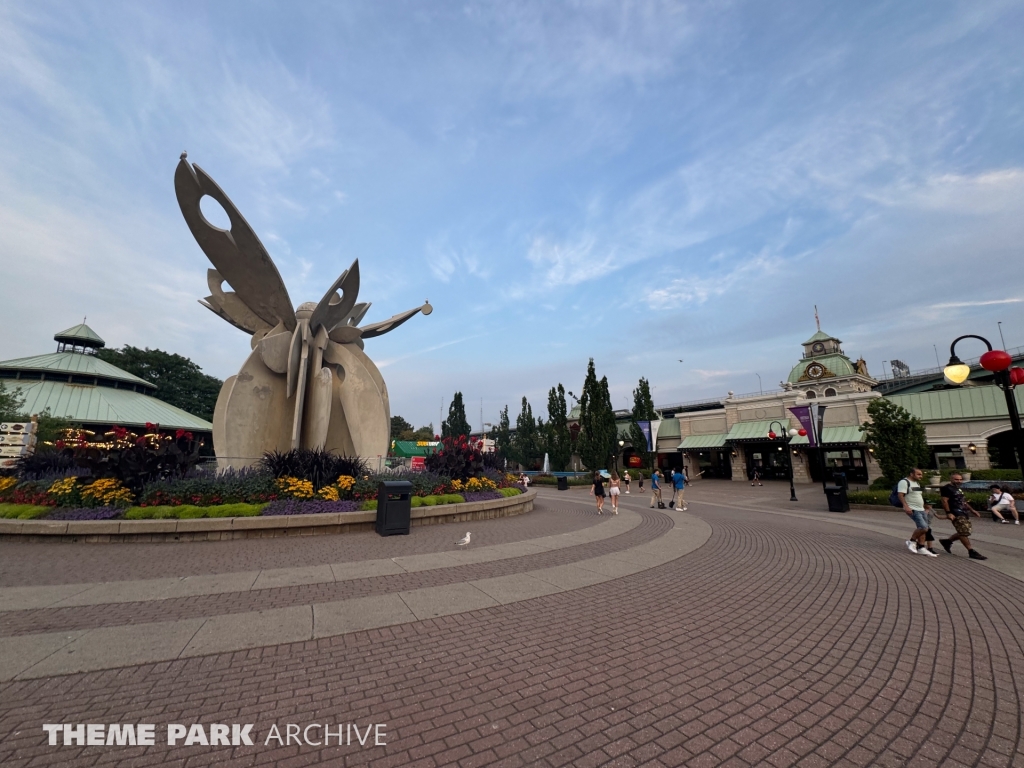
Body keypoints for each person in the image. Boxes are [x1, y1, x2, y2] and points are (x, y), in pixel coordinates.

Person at [939, 473, 987, 560]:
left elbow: (963, 501)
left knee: (966, 531)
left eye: (960, 479)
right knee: (963, 531)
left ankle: (947, 541)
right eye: (956, 479)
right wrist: (948, 513)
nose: (959, 481)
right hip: (955, 513)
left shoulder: (958, 489)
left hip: (963, 512)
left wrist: (972, 510)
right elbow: (944, 501)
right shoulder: (947, 488)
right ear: (951, 479)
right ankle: (971, 551)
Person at [899, 468, 936, 557]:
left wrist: (925, 506)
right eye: (919, 474)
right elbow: (900, 495)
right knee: (923, 528)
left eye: (921, 474)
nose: (921, 476)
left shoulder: (916, 483)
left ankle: (921, 547)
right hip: (912, 509)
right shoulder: (904, 482)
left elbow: (917, 495)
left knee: (923, 528)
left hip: (921, 509)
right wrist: (906, 506)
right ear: (912, 474)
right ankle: (911, 541)